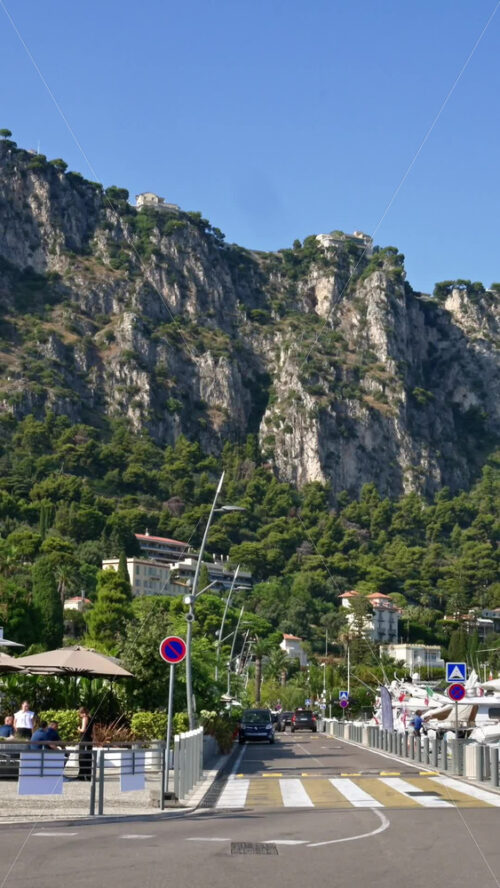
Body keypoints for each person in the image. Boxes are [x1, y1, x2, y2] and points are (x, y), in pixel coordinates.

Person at [77, 707, 94, 781]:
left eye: (79, 714)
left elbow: (83, 730)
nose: (79, 716)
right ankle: (88, 775)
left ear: (82, 713)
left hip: (84, 739)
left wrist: (79, 729)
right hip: (89, 739)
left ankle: (82, 775)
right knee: (88, 757)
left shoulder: (85, 718)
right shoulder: (91, 718)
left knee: (82, 756)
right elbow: (93, 731)